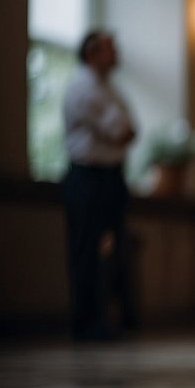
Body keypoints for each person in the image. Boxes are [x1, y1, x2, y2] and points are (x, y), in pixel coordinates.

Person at [62, 31, 138, 341]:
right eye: (111, 48)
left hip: (108, 177)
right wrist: (123, 130)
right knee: (86, 253)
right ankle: (87, 323)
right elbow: (121, 132)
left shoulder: (108, 89)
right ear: (92, 53)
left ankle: (109, 319)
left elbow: (132, 129)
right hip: (88, 176)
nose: (117, 52)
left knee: (111, 252)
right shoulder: (84, 88)